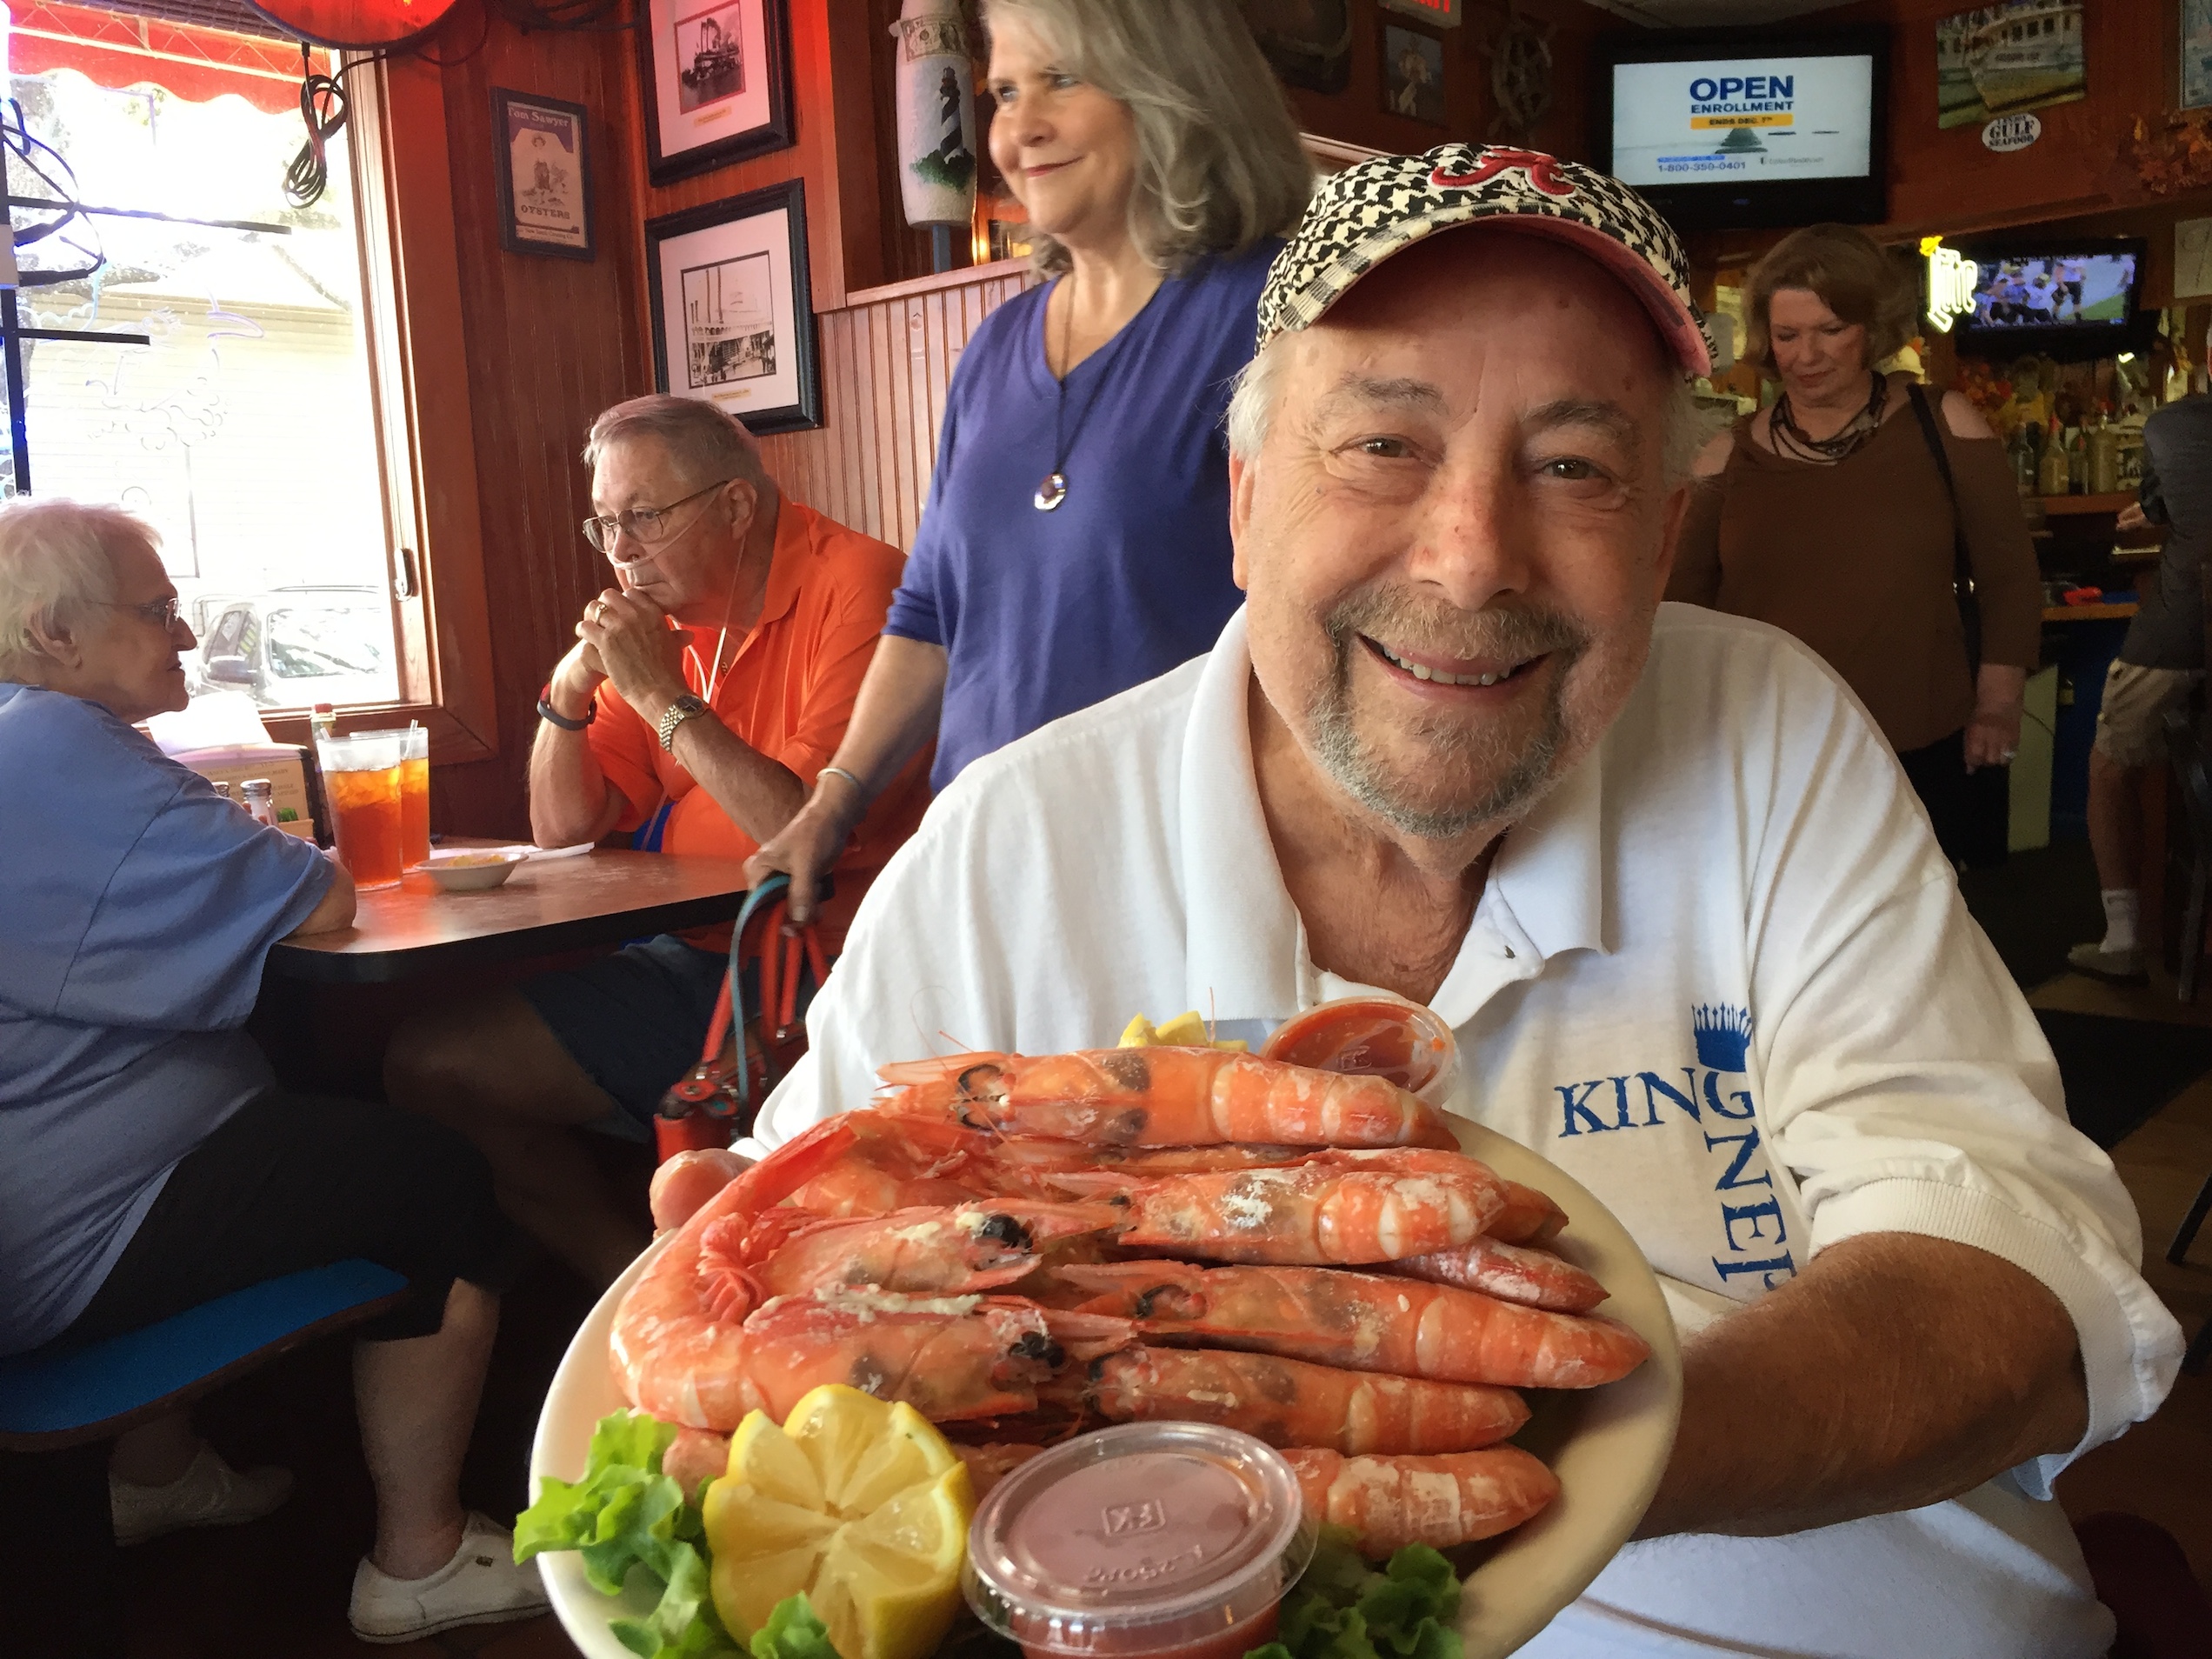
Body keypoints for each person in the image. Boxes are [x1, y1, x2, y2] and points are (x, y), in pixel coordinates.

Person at [748, 146, 2181, 1656]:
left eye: (1572, 467)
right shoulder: (1003, 850)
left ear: (1660, 540)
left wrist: (1490, 1457)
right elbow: (787, 1328)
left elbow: (2009, 1287)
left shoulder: (1771, 730)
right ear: (1245, 500)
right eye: (1383, 443)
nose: (1471, 558)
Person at [0, 501, 546, 1642]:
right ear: (54, 633)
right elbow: (320, 898)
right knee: (437, 1179)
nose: (185, 634)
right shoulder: (54, 748)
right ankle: (421, 1559)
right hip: (69, 1233)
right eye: (158, 609)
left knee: (301, 1106)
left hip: (43, 1196)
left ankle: (157, 1476)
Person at [743, 0, 1313, 925]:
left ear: (1173, 88)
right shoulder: (994, 347)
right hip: (985, 871)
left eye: (1062, 80)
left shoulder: (1271, 310)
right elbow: (929, 615)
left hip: (1180, 877)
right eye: (1005, 92)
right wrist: (831, 804)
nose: (1019, 129)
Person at [383, 396, 928, 1289]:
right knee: (433, 1065)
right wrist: (568, 692)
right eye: (605, 523)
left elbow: (802, 828)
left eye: (644, 516)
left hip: (838, 962)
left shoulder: (861, 584)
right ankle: (633, 1287)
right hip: (700, 953)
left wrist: (660, 699)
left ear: (736, 506)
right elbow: (564, 827)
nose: (622, 549)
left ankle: (693, 1290)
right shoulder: (663, 617)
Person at [1668, 222, 2042, 866]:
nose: (1806, 355)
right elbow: (1678, 610)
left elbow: (2009, 578)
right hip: (1765, 754)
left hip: (1919, 742)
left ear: (1872, 327)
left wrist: (1999, 705)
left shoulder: (1944, 422)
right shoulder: (1725, 455)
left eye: (1830, 330)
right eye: (1787, 335)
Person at [2069, 396, 2212, 981]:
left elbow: (2177, 498)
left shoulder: (2175, 424)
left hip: (2178, 635)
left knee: (2111, 768)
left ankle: (2125, 937)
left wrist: (2156, 508)